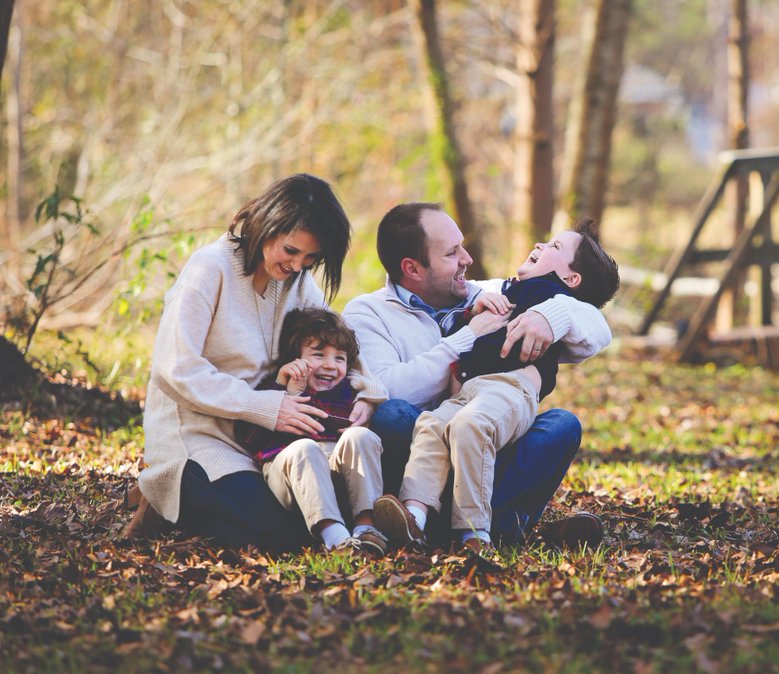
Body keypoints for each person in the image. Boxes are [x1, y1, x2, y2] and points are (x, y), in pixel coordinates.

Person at [133, 174, 381, 554]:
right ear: (268, 225)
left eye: (311, 258)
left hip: (265, 444)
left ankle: (181, 501)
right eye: (291, 251)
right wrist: (264, 406)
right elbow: (174, 366)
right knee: (277, 537)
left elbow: (337, 339)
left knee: (312, 519)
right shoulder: (210, 268)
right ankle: (162, 498)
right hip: (199, 437)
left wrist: (368, 392)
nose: (298, 265)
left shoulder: (297, 283)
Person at [342, 203, 612, 548]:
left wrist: (552, 315)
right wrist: (467, 336)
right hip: (426, 442)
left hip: (489, 433)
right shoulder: (368, 312)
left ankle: (439, 527)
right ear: (412, 268)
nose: (467, 259)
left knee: (562, 425)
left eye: (462, 246)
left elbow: (596, 327)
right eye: (453, 253)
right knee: (394, 415)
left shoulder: (491, 291)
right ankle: (492, 526)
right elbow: (390, 388)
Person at [234, 308, 390, 557]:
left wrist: (366, 401)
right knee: (305, 447)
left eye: (340, 358)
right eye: (318, 355)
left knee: (360, 435)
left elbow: (354, 426)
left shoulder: (348, 394)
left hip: (338, 477)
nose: (330, 365)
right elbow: (249, 438)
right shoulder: (273, 389)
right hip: (292, 477)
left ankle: (366, 529)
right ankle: (335, 537)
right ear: (295, 358)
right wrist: (288, 393)